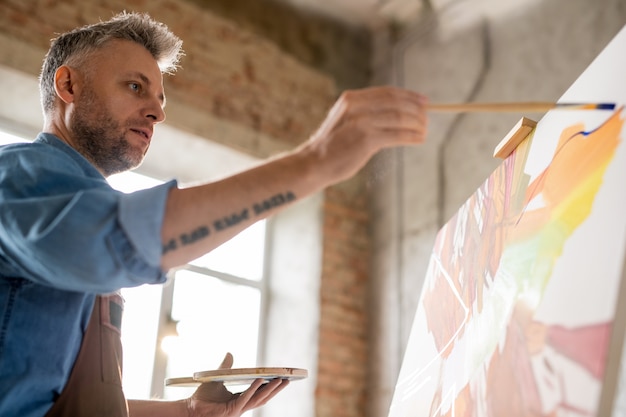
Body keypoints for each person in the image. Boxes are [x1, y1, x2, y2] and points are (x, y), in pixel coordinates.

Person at [0, 11, 428, 417]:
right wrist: (314, 162)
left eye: (159, 97)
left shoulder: (70, 207)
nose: (158, 111)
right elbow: (114, 242)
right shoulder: (17, 176)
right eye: (134, 86)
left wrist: (185, 411)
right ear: (68, 86)